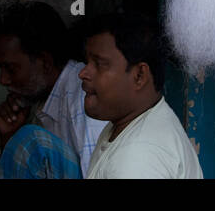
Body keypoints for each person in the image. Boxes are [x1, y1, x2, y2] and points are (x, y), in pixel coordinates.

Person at [0, 1, 106, 179]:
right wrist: (10, 138)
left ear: (44, 62)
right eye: (0, 69)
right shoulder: (40, 100)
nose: (2, 80)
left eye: (11, 69)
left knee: (31, 139)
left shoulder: (83, 98)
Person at [79, 12, 203, 179]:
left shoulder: (137, 158)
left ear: (139, 76)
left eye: (99, 64)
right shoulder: (130, 125)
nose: (83, 73)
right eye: (87, 62)